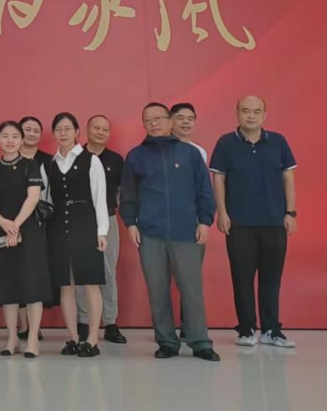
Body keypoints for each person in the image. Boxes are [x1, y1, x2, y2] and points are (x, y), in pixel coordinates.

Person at [122, 103, 219, 362]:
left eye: (158, 118)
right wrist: (130, 223)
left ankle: (200, 342)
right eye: (148, 120)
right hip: (150, 233)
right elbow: (129, 195)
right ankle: (166, 341)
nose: (153, 123)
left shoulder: (190, 154)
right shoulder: (136, 156)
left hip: (186, 232)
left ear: (170, 121)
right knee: (157, 290)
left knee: (191, 289)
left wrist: (205, 221)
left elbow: (204, 191)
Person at [210, 95, 298, 349]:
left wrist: (290, 213)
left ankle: (271, 330)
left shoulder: (278, 141)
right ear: (237, 113)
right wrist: (222, 213)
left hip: (274, 223)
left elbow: (288, 178)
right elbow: (218, 180)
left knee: (271, 279)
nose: (251, 115)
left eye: (257, 111)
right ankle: (246, 328)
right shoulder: (226, 143)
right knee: (242, 278)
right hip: (239, 224)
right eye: (246, 111)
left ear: (264, 115)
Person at [42, 112, 108, 358]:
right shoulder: (49, 164)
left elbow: (100, 198)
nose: (63, 133)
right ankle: (72, 337)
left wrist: (102, 231)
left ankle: (92, 338)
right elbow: (46, 201)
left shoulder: (91, 160)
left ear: (77, 132)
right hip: (58, 226)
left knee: (90, 281)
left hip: (85, 223)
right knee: (65, 284)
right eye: (58, 129)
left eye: (67, 128)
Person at [0, 121, 50, 359]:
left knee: (32, 285)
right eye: (5, 136)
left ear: (22, 140)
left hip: (28, 231)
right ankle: (12, 337)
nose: (10, 140)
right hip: (2, 229)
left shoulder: (30, 165)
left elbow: (33, 198)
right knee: (8, 284)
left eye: (15, 136)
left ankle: (32, 338)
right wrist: (4, 223)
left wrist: (16, 225)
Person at [76, 115, 126, 344]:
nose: (100, 132)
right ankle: (84, 321)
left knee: (108, 271)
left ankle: (110, 322)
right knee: (81, 273)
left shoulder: (116, 160)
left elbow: (120, 192)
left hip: (108, 219)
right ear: (86, 130)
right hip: (81, 221)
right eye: (96, 128)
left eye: (105, 129)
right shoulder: (76, 156)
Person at [16, 115, 52, 339]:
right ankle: (22, 325)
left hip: (41, 224)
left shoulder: (49, 161)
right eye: (26, 129)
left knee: (35, 275)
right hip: (13, 224)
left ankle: (35, 326)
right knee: (17, 273)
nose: (31, 133)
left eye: (35, 130)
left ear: (41, 136)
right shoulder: (10, 158)